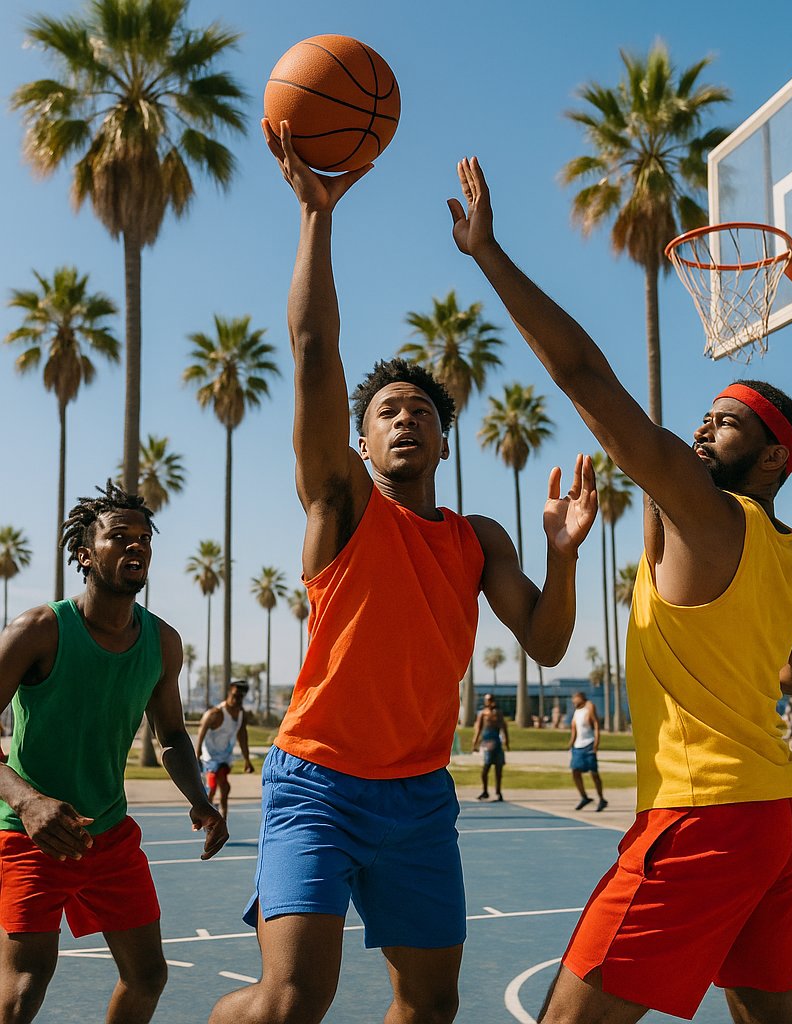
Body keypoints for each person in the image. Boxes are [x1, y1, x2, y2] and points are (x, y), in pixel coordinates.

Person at [206, 123, 597, 1024]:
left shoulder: (479, 537)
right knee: (290, 1001)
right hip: (319, 779)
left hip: (419, 796)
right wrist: (316, 217)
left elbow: (544, 643)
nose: (405, 418)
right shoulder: (341, 505)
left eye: (421, 408)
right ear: (363, 436)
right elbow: (311, 350)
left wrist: (563, 556)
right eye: (386, 410)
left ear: (442, 438)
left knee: (430, 1002)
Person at [451, 156, 792, 1024]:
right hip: (777, 819)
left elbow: (586, 379)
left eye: (725, 422)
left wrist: (490, 256)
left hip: (707, 815)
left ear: (772, 457)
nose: (702, 426)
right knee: (770, 1017)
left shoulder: (708, 514)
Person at [0, 481, 228, 1024]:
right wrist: (29, 803)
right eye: (118, 536)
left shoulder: (162, 642)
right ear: (83, 552)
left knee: (147, 977)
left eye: (144, 537)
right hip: (33, 835)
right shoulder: (38, 631)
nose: (136, 546)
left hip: (110, 835)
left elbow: (171, 735)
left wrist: (200, 799)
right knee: (25, 988)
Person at [196, 680, 254, 821]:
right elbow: (201, 733)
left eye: (240, 697)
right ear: (229, 693)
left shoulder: (241, 715)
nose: (237, 699)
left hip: (224, 757)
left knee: (225, 788)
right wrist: (196, 755)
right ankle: (207, 817)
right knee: (212, 786)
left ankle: (223, 820)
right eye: (235, 695)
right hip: (209, 757)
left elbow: (243, 737)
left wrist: (247, 760)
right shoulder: (215, 713)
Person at [568, 692, 605, 811]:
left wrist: (596, 743)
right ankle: (584, 797)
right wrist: (571, 744)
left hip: (589, 744)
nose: (573, 700)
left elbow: (596, 724)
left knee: (594, 773)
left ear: (581, 698)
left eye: (575, 698)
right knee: (575, 772)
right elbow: (574, 729)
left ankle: (601, 798)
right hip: (578, 747)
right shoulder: (576, 712)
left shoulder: (589, 707)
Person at [472, 693, 509, 801]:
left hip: (497, 742)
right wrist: (475, 743)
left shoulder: (498, 713)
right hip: (487, 743)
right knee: (485, 769)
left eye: (491, 699)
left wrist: (506, 741)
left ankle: (498, 792)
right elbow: (478, 729)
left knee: (498, 769)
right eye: (488, 700)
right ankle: (485, 791)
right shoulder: (483, 713)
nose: (489, 702)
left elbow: (504, 728)